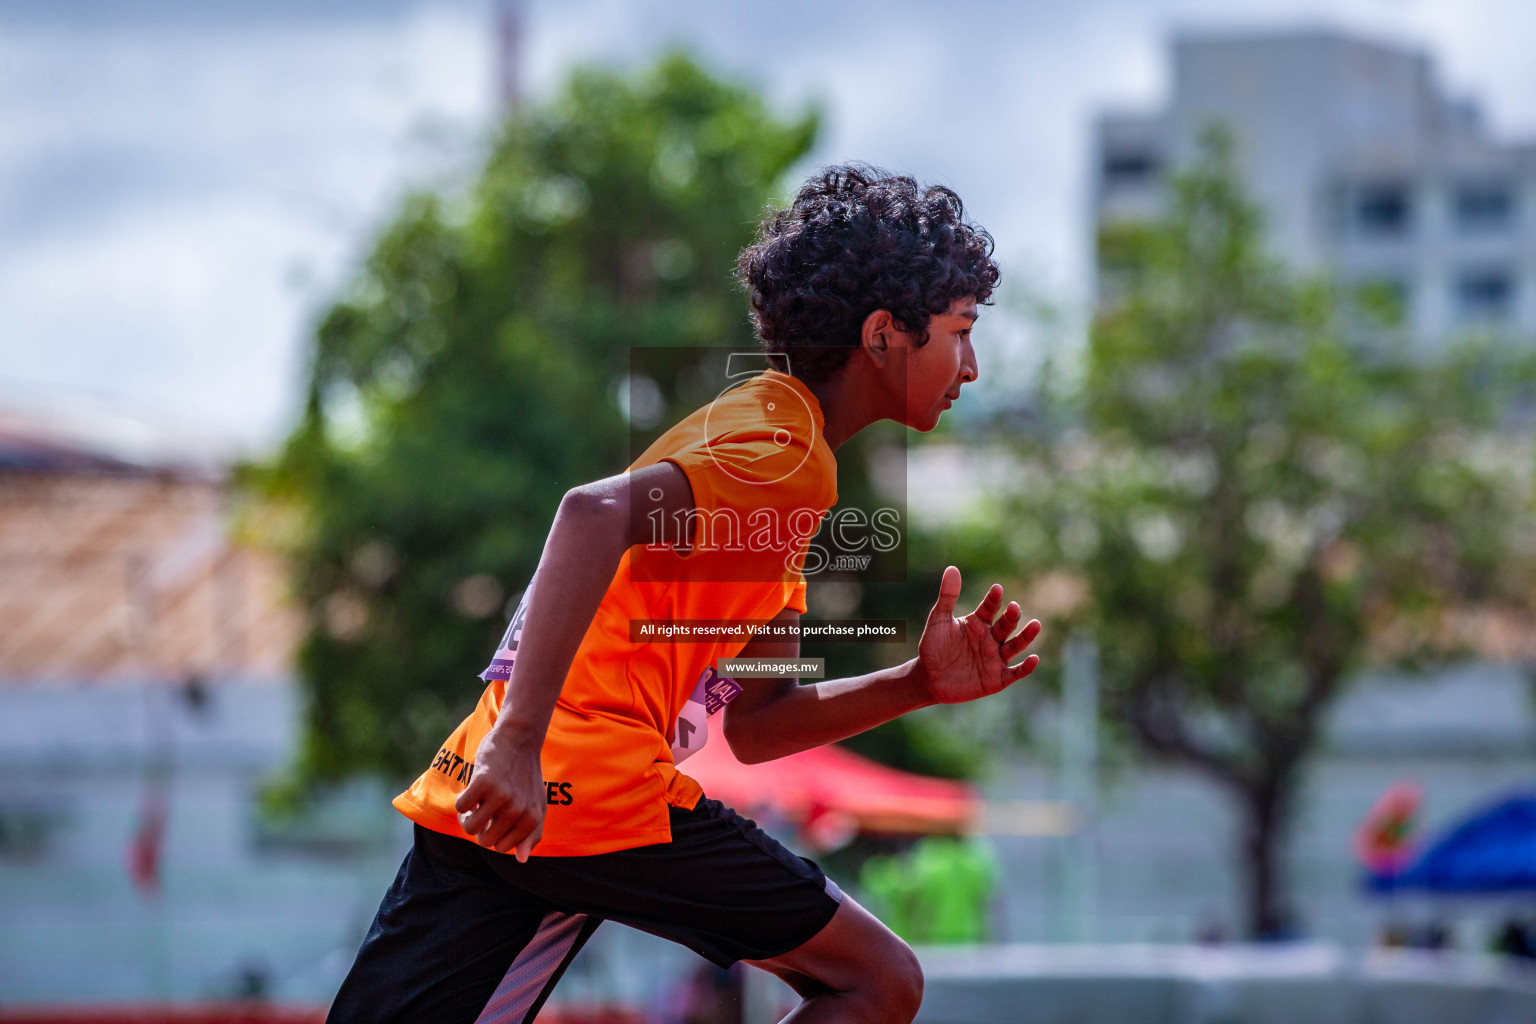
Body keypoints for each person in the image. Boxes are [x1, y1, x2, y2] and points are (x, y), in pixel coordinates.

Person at [327, 165, 1042, 1024]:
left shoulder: (775, 447)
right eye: (961, 332)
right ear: (887, 334)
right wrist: (520, 742)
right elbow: (590, 515)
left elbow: (758, 722)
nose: (971, 363)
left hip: (501, 782)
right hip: (583, 779)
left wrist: (916, 685)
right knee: (879, 981)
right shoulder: (781, 453)